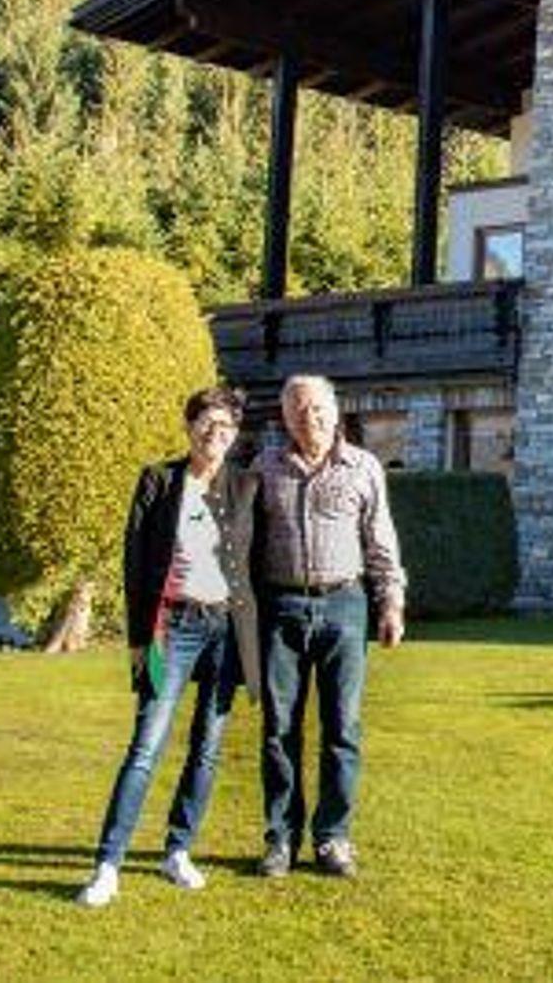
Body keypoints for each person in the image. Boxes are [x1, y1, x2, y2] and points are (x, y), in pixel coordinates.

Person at [76, 387, 260, 909]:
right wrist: (140, 642)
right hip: (169, 629)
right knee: (146, 746)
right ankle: (108, 864)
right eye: (207, 423)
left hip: (226, 631)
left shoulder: (247, 486)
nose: (216, 434)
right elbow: (134, 563)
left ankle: (178, 849)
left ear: (235, 434)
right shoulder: (158, 480)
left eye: (226, 427)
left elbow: (257, 564)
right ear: (189, 426)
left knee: (207, 747)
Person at [253, 374, 406, 879]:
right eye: (298, 411)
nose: (309, 419)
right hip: (281, 607)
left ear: (336, 412)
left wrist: (391, 604)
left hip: (345, 605)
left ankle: (333, 838)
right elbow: (243, 542)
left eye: (318, 409)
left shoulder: (364, 467)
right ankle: (280, 839)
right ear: (285, 418)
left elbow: (381, 542)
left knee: (343, 728)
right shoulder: (264, 468)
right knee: (279, 730)